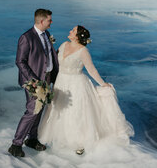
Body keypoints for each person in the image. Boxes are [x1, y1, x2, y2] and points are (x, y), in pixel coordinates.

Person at [38, 25, 134, 155]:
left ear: (77, 37)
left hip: (76, 84)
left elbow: (91, 69)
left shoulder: (83, 51)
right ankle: (60, 137)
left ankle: (79, 141)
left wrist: (103, 83)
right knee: (58, 110)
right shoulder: (64, 44)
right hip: (61, 83)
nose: (70, 31)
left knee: (76, 113)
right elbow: (54, 61)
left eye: (73, 30)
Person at [8, 9, 59, 157]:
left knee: (39, 110)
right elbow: (20, 61)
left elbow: (47, 56)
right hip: (34, 82)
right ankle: (16, 144)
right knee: (31, 111)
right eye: (50, 20)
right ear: (42, 21)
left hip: (47, 78)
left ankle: (32, 139)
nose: (51, 22)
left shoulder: (46, 35)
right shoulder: (26, 37)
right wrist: (34, 81)